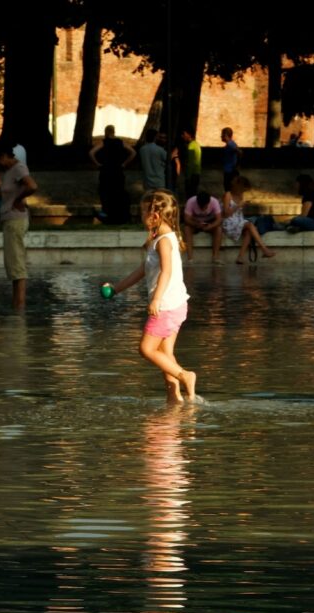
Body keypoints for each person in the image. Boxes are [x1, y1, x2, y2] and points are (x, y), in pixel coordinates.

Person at [102, 189, 197, 405]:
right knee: (164, 353)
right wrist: (117, 288)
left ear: (155, 216)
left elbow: (167, 270)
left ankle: (185, 376)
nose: (140, 217)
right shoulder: (159, 238)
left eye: (143, 213)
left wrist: (156, 299)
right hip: (176, 305)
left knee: (146, 349)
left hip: (166, 306)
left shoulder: (164, 240)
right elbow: (143, 270)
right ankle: (174, 397)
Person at [0, 139, 38, 312]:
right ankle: (16, 305)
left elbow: (32, 186)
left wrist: (18, 200)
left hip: (15, 220)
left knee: (17, 264)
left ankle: (19, 308)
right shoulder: (11, 170)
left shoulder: (18, 168)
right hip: (10, 220)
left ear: (4, 156)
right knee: (12, 264)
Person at [221, 176, 277, 263]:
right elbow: (226, 213)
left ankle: (240, 257)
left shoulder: (241, 196)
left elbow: (238, 214)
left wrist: (243, 205)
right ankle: (264, 249)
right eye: (243, 189)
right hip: (228, 223)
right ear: (238, 186)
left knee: (248, 232)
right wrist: (238, 206)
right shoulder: (228, 195)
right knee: (250, 225)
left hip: (238, 221)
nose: (243, 192)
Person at [89, 125, 136, 224]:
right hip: (118, 170)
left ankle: (107, 214)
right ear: (114, 132)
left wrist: (97, 163)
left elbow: (91, 152)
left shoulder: (104, 143)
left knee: (106, 193)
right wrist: (124, 163)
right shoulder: (121, 142)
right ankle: (119, 215)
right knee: (118, 192)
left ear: (106, 132)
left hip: (106, 171)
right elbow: (133, 152)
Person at [182, 190, 223, 262]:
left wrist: (211, 226)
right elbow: (187, 219)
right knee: (187, 229)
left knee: (218, 229)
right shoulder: (191, 202)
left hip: (209, 223)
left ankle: (215, 257)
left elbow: (219, 219)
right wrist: (195, 224)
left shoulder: (214, 202)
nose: (203, 209)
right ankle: (190, 258)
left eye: (205, 206)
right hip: (195, 223)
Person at [178, 127, 202, 200]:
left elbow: (191, 163)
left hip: (192, 174)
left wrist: (187, 177)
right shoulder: (196, 144)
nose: (182, 136)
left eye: (184, 134)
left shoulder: (191, 146)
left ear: (189, 135)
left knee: (190, 196)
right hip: (196, 173)